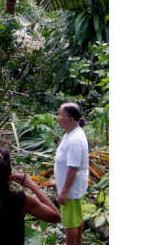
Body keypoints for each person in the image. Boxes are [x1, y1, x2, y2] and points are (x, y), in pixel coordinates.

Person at [54, 102, 89, 245]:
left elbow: (73, 169)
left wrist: (63, 192)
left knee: (70, 223)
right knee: (76, 216)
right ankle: (78, 242)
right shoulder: (72, 132)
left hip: (71, 188)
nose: (58, 117)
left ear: (70, 119)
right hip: (75, 186)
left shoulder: (74, 140)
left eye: (61, 114)